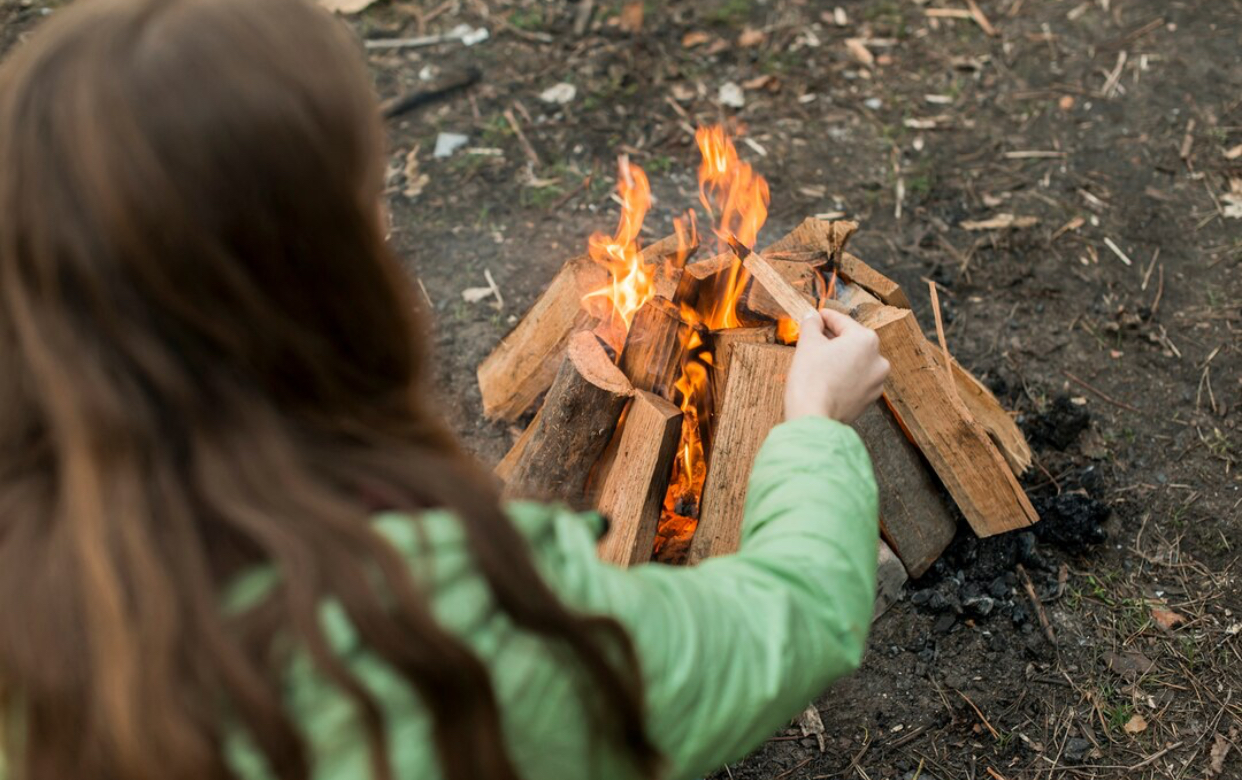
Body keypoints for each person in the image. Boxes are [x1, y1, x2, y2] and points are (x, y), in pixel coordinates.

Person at [0, 0, 890, 778]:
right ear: (315, 278)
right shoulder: (436, 633)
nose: (387, 228)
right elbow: (789, 619)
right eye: (364, 204)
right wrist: (811, 423)